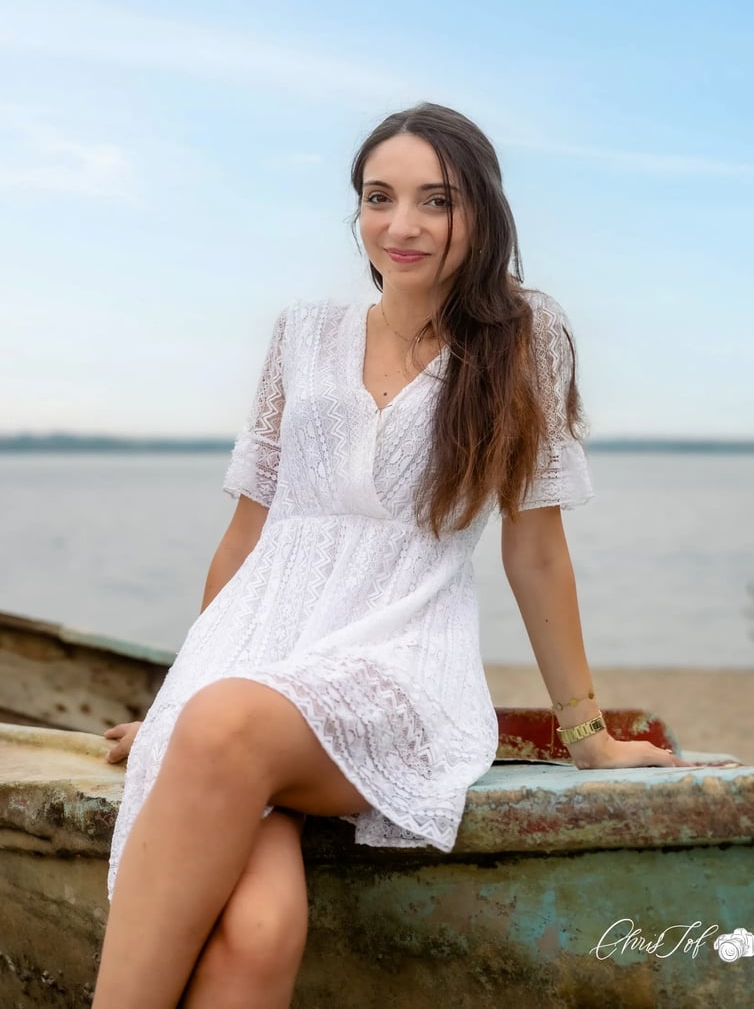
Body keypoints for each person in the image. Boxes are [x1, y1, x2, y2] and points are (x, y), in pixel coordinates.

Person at [94, 102, 689, 1009]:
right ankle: (216, 735)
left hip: (392, 659)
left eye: (434, 200)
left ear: (481, 213)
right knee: (258, 933)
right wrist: (183, 703)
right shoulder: (301, 333)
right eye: (379, 197)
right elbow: (251, 532)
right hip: (248, 666)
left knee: (224, 728)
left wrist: (588, 736)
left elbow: (535, 550)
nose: (401, 225)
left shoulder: (525, 339)